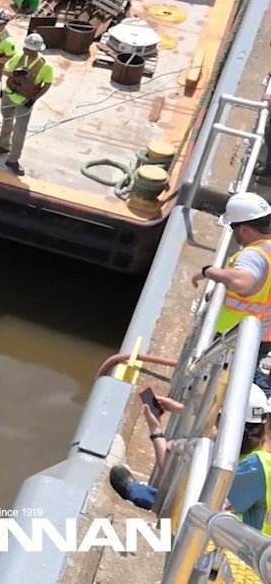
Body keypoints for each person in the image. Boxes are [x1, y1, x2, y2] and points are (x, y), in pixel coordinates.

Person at [111, 384, 271, 533]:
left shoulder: (251, 466)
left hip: (227, 547)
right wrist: (182, 409)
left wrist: (156, 430)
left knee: (176, 495)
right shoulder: (259, 452)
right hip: (243, 540)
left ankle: (134, 490)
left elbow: (173, 480)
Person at [195, 192, 271, 389]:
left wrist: (209, 271)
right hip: (264, 334)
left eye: (232, 226)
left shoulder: (254, 254)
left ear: (244, 228)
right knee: (248, 379)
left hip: (234, 334)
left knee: (216, 380)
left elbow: (243, 282)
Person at [0, 32, 54, 176]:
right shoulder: (18, 57)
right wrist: (14, 73)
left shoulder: (46, 66)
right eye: (25, 48)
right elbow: (5, 70)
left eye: (28, 49)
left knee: (20, 131)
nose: (25, 51)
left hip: (24, 101)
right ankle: (3, 146)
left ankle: (13, 159)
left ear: (35, 50)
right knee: (6, 121)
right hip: (9, 95)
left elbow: (47, 84)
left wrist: (34, 98)